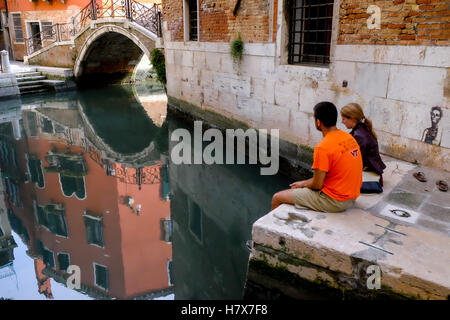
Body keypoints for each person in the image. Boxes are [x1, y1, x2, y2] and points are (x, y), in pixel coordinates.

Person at [271, 102, 363, 212]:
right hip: (352, 196)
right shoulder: (349, 137)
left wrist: (302, 184)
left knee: (277, 198)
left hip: (335, 201)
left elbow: (317, 184)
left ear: (318, 122)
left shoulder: (323, 148)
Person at [340, 103, 386, 184]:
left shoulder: (359, 136)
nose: (342, 121)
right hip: (371, 168)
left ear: (352, 119)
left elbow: (355, 162)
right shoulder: (362, 128)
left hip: (370, 171)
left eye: (343, 119)